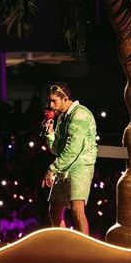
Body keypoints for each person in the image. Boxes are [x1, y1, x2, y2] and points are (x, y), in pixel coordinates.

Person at [41, 83, 97, 235]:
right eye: (50, 101)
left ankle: (83, 250)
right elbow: (57, 149)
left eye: (54, 101)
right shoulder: (62, 118)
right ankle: (63, 244)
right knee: (55, 208)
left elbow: (73, 149)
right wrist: (50, 133)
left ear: (65, 98)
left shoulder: (80, 114)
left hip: (81, 165)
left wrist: (52, 168)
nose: (50, 105)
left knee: (77, 208)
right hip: (65, 165)